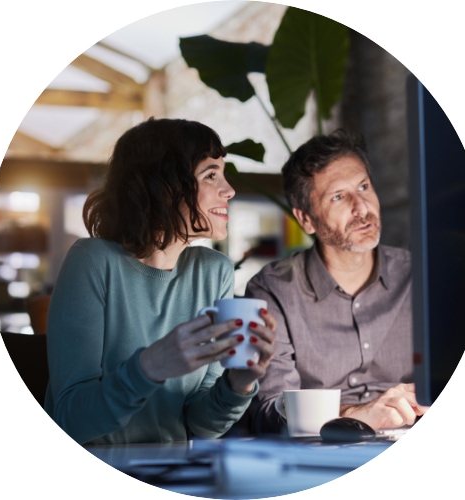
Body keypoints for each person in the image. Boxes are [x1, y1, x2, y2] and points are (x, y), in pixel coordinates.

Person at [44, 117, 276, 445]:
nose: (230, 190)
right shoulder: (93, 261)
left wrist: (239, 384)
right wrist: (150, 366)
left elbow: (201, 424)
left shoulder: (214, 271)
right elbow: (69, 419)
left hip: (175, 474)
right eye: (211, 175)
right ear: (165, 187)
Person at [245, 128, 428, 434]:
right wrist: (357, 414)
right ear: (305, 219)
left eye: (364, 187)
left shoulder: (420, 274)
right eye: (339, 197)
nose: (361, 208)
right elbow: (269, 411)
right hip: (321, 452)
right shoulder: (273, 290)